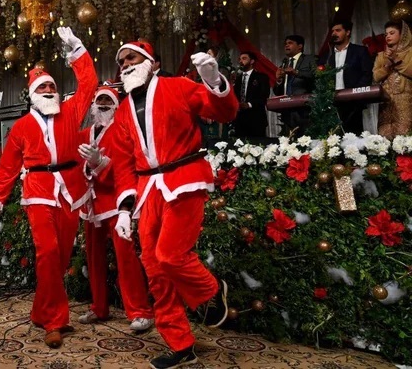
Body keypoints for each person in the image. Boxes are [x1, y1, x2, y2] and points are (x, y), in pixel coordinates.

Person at [110, 40, 238, 368]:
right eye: (121, 60)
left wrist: (214, 82)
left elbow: (224, 111)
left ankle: (211, 290)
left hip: (184, 179)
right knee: (155, 269)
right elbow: (123, 161)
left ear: (151, 62)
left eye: (132, 57)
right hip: (147, 188)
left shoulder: (179, 86)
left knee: (170, 255)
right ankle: (181, 344)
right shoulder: (123, 109)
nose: (125, 63)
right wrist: (124, 208)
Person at [0, 27, 97, 348]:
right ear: (32, 93)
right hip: (39, 192)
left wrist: (78, 50)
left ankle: (40, 310)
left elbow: (89, 85)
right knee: (47, 253)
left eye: (51, 86)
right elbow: (6, 170)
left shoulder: (71, 111)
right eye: (41, 87)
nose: (47, 90)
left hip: (71, 190)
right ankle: (55, 321)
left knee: (59, 259)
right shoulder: (21, 128)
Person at [77, 85, 154, 332]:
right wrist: (87, 168)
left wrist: (99, 163)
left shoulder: (122, 132)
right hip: (90, 205)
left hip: (115, 204)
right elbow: (76, 166)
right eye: (98, 99)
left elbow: (123, 169)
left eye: (107, 101)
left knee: (126, 259)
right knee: (93, 259)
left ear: (116, 106)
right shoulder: (84, 134)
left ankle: (140, 310)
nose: (101, 104)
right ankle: (99, 307)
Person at [327, 20, 374, 134]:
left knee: (353, 139)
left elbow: (367, 74)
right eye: (332, 31)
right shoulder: (328, 56)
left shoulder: (360, 51)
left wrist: (354, 94)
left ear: (348, 32)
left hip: (353, 104)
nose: (334, 33)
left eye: (338, 30)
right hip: (333, 105)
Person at [373, 20, 412, 139]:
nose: (388, 36)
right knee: (385, 138)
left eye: (392, 33)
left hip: (406, 102)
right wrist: (387, 66)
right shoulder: (381, 55)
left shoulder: (410, 52)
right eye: (386, 34)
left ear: (402, 34)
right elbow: (376, 77)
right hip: (386, 102)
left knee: (405, 140)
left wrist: (395, 60)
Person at [274, 35, 317, 135]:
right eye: (285, 44)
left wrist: (296, 72)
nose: (286, 46)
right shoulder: (284, 64)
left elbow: (316, 76)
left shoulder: (310, 59)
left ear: (300, 46)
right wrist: (278, 80)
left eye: (290, 43)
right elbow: (278, 92)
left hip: (305, 109)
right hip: (286, 110)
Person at [233, 51, 270, 139]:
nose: (241, 61)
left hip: (256, 119)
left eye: (244, 58)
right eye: (240, 59)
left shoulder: (261, 77)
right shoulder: (237, 79)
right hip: (240, 120)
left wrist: (249, 104)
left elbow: (264, 96)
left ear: (252, 61)